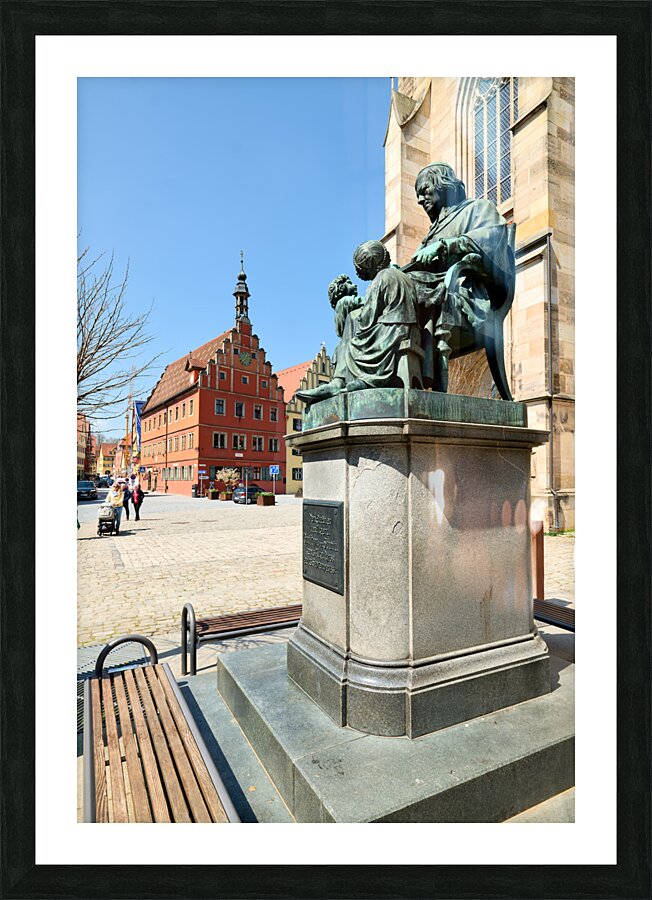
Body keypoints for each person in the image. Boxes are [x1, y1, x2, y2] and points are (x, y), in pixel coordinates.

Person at [403, 162, 514, 388]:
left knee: (402, 289)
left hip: (468, 294)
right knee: (391, 286)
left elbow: (491, 239)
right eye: (418, 195)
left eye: (424, 191)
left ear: (443, 186)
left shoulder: (477, 209)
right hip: (432, 288)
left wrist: (446, 246)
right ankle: (378, 376)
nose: (420, 200)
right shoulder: (431, 232)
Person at [296, 240, 419, 404]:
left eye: (364, 270)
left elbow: (367, 319)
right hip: (405, 327)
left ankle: (346, 380)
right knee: (350, 332)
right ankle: (340, 381)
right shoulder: (399, 275)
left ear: (370, 264)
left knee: (352, 330)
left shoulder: (382, 277)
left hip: (393, 330)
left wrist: (355, 317)